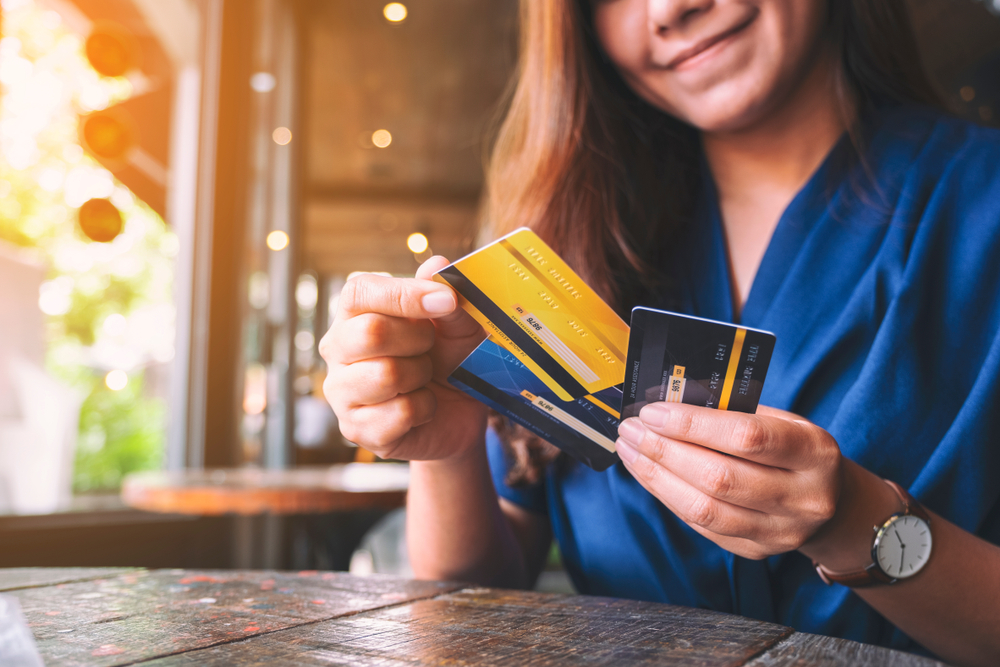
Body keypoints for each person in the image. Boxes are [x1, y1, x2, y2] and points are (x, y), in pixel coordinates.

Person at [319, 2, 1000, 664]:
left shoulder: (981, 208)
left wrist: (857, 523)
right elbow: (470, 610)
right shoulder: (575, 250)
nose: (670, 8)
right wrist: (448, 452)